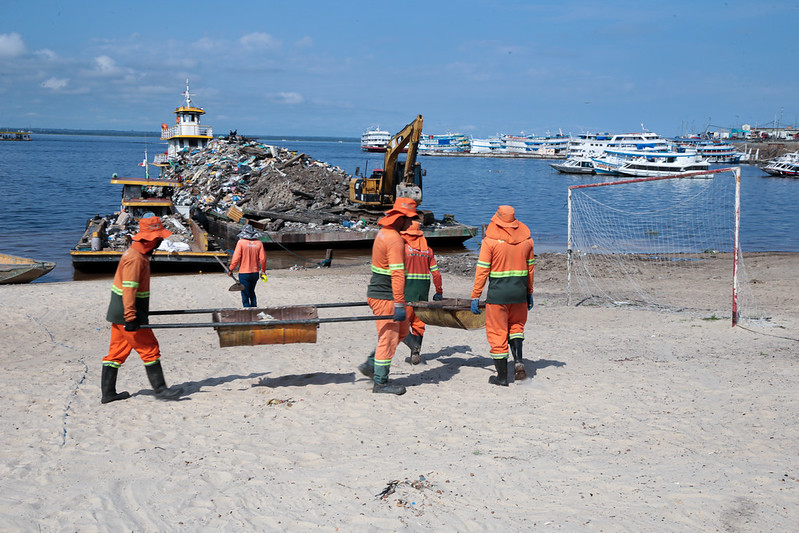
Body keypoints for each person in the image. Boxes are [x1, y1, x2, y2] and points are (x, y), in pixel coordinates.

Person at [101, 216, 183, 403]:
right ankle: (161, 390)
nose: (160, 242)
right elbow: (129, 290)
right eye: (159, 238)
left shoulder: (137, 254)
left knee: (116, 353)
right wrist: (131, 317)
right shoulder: (135, 259)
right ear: (151, 239)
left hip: (119, 312)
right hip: (128, 313)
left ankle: (108, 394)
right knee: (150, 349)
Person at [357, 197, 419, 395]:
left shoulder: (384, 233)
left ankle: (371, 365)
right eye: (409, 218)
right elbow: (397, 273)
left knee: (401, 332)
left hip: (380, 293)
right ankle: (381, 383)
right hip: (386, 297)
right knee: (388, 339)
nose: (411, 222)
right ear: (400, 218)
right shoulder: (394, 240)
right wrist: (400, 303)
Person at [470, 206, 535, 386]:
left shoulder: (489, 242)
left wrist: (476, 295)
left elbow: (482, 271)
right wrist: (529, 292)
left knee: (497, 334)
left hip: (498, 296)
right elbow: (530, 270)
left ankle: (501, 377)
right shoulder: (527, 241)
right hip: (519, 294)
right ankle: (519, 363)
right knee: (516, 327)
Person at [400, 220, 443, 365]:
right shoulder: (428, 251)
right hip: (422, 296)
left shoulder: (403, 249)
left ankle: (413, 346)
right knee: (418, 326)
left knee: (399, 325)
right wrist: (439, 292)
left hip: (407, 294)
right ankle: (415, 354)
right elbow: (436, 274)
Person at [229, 224, 267, 308]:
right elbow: (263, 259)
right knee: (252, 292)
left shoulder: (241, 242)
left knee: (245, 294)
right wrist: (263, 271)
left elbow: (236, 258)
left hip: (244, 273)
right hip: (255, 273)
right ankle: (254, 309)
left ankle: (247, 311)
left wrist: (231, 269)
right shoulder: (259, 243)